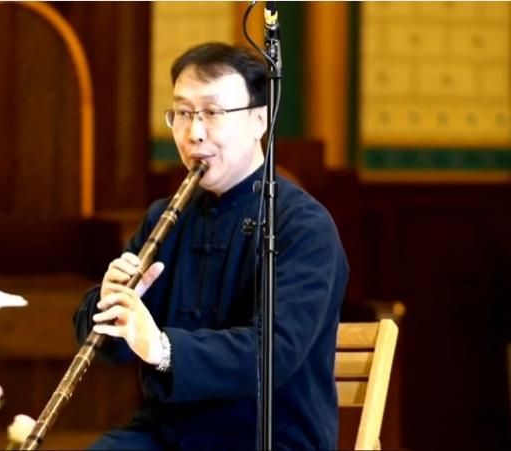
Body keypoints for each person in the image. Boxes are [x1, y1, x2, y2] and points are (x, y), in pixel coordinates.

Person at [73, 42, 349, 450]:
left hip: (269, 438)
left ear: (259, 120)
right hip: (169, 436)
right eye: (183, 113)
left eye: (213, 113)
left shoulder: (304, 226)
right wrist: (110, 304)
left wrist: (163, 348)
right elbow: (109, 345)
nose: (193, 132)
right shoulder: (164, 216)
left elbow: (271, 351)